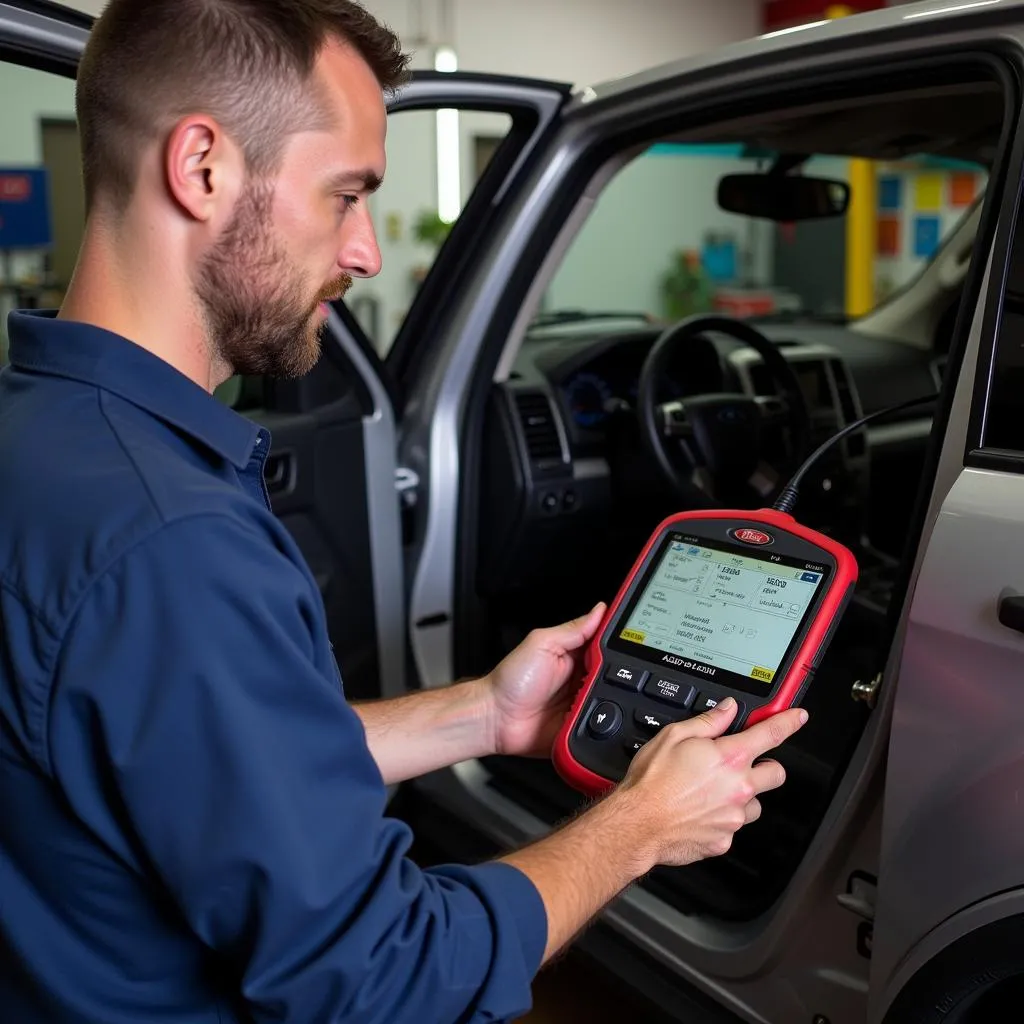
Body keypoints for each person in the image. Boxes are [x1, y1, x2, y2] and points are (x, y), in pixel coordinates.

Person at [0, 1, 808, 1022]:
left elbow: (208, 768)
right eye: (344, 194)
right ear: (201, 166)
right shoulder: (172, 541)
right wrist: (643, 824)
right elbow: (388, 977)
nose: (368, 251)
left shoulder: (38, 435)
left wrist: (483, 713)